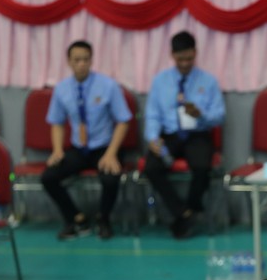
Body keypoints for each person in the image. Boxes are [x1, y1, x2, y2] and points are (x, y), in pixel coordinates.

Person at [41, 40, 132, 240]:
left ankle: (104, 218)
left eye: (85, 59)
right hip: (79, 148)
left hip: (105, 146)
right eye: (77, 60)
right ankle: (75, 218)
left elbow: (123, 121)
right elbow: (56, 122)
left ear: (91, 60)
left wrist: (111, 154)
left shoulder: (108, 86)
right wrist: (57, 150)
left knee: (110, 178)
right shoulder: (62, 89)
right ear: (69, 62)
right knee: (48, 177)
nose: (81, 64)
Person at [144, 31, 226, 239]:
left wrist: (201, 114)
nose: (185, 63)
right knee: (152, 167)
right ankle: (184, 212)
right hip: (169, 136)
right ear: (172, 55)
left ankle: (187, 213)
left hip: (197, 133)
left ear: (195, 53)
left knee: (201, 167)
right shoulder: (160, 81)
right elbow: (152, 114)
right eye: (180, 59)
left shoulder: (208, 81)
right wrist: (153, 138)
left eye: (189, 58)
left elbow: (220, 116)